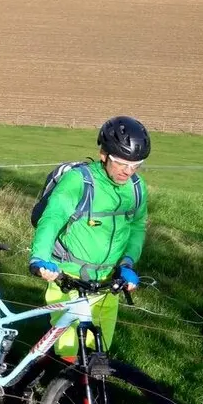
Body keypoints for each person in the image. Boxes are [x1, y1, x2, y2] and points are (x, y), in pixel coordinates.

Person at [29, 115, 150, 363]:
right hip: (68, 277)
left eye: (136, 165)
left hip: (109, 281)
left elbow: (137, 227)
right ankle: (58, 396)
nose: (128, 171)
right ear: (103, 154)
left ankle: (81, 394)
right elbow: (52, 219)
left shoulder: (136, 188)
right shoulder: (79, 181)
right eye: (121, 163)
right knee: (70, 350)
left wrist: (127, 262)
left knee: (99, 351)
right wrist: (40, 257)